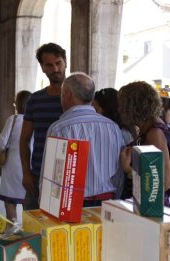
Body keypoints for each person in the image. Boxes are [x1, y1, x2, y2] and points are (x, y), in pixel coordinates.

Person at [46, 72, 125, 206]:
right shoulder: (113, 127)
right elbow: (119, 172)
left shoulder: (59, 129)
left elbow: (51, 176)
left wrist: (48, 204)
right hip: (108, 201)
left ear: (67, 95)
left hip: (71, 204)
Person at [19, 42, 66, 210]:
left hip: (70, 176)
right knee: (32, 227)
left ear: (65, 62)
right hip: (39, 175)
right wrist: (26, 172)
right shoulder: (35, 99)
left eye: (58, 63)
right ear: (42, 68)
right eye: (49, 65)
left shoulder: (79, 96)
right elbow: (24, 140)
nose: (55, 69)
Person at [118, 81, 170, 205]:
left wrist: (129, 170)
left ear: (131, 107)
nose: (119, 110)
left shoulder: (154, 133)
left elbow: (164, 181)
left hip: (156, 207)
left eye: (121, 105)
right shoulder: (149, 128)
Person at [0, 90, 32, 222]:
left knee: (10, 202)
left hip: (12, 167)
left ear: (18, 103)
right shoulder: (36, 121)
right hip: (30, 166)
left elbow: (0, 144)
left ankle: (13, 233)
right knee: (29, 204)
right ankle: (29, 235)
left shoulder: (14, 119)